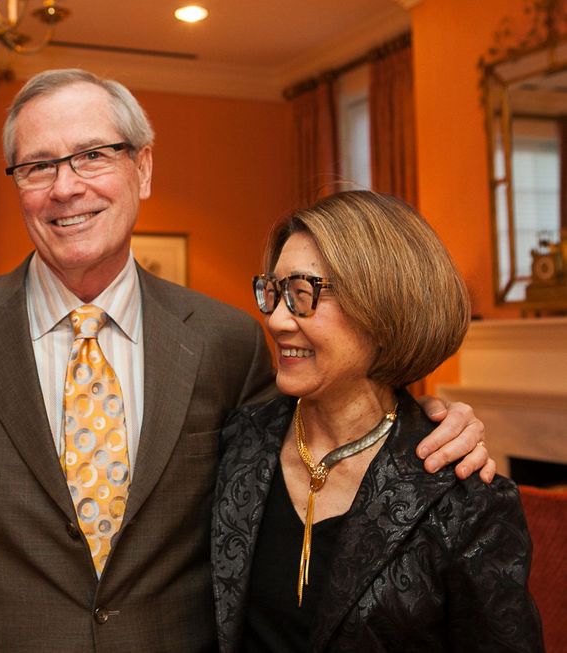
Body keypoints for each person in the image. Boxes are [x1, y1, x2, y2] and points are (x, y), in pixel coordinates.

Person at [0, 69, 493, 651]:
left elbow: (322, 438)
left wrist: (428, 423)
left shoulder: (230, 343)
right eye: (38, 166)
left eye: (93, 155)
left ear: (142, 167)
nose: (65, 187)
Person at [212, 191, 542, 652]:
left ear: (382, 305)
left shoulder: (464, 495)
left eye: (302, 294)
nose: (277, 320)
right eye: (274, 291)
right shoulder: (237, 441)